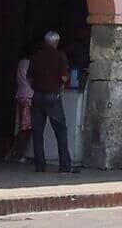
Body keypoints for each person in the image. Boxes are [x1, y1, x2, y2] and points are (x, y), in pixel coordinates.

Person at [26, 30, 77, 173]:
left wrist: (36, 86)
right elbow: (64, 78)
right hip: (52, 97)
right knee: (60, 130)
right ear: (56, 42)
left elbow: (29, 78)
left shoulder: (36, 56)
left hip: (37, 95)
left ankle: (40, 165)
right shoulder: (59, 56)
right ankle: (65, 165)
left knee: (37, 131)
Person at [5, 39, 36, 163]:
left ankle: (13, 152)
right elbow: (32, 80)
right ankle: (15, 153)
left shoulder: (21, 62)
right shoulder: (30, 64)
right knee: (25, 128)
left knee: (23, 127)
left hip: (21, 94)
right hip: (28, 97)